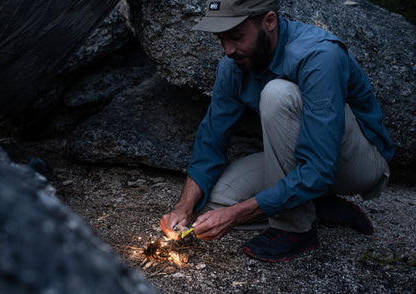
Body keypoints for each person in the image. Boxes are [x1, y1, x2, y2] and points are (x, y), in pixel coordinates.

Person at [160, 0, 394, 262]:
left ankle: (295, 229)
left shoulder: (318, 56)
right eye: (221, 39)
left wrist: (238, 214)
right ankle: (315, 205)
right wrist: (184, 207)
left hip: (356, 164)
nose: (227, 50)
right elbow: (211, 140)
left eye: (236, 36)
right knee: (215, 205)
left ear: (269, 21)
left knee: (277, 94)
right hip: (305, 157)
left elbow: (320, 167)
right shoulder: (233, 64)